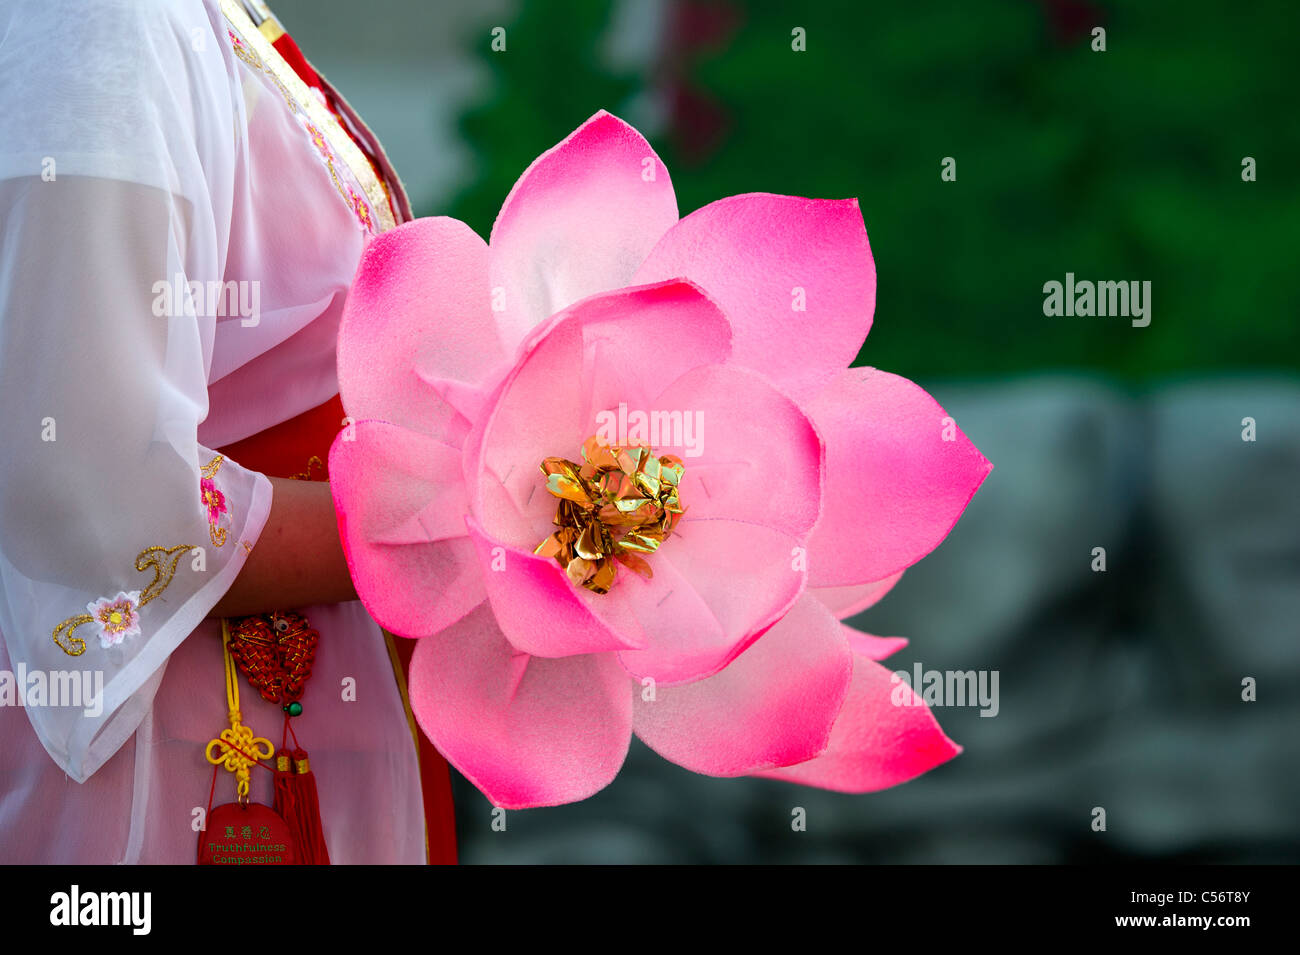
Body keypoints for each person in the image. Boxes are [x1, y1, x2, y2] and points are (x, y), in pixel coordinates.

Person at [0, 0, 456, 863]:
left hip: (304, 683)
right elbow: (89, 490)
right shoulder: (100, 20)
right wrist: (447, 529)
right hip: (200, 738)